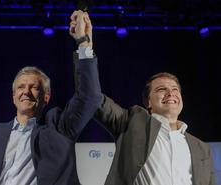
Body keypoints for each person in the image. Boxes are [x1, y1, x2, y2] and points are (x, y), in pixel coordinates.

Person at [70, 11, 216, 185]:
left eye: (175, 89)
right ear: (148, 102)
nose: (171, 93)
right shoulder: (132, 122)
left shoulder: (201, 148)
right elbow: (91, 96)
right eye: (162, 89)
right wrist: (84, 45)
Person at [0, 11, 101, 185]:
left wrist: (83, 44)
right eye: (21, 87)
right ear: (13, 97)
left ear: (46, 97)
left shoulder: (59, 126)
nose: (26, 91)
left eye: (34, 87)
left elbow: (89, 97)